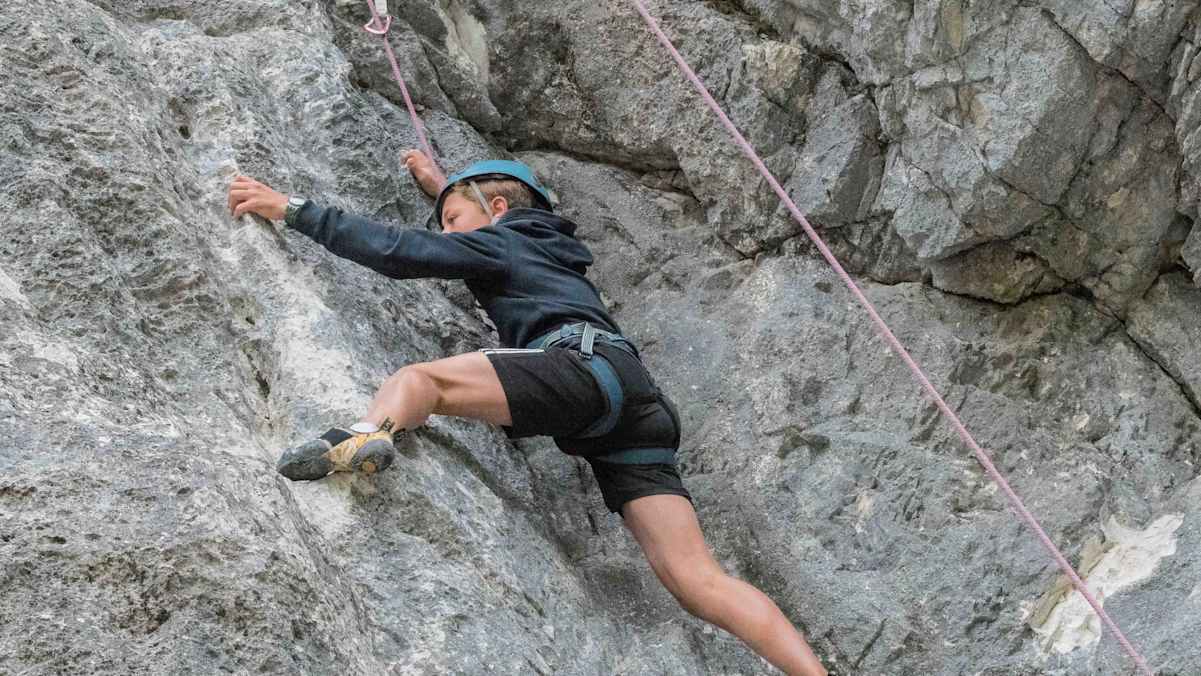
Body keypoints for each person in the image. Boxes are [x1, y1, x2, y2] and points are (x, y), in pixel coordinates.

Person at [226, 151, 828, 675]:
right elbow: (490, 212)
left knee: (420, 379)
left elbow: (402, 250)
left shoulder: (504, 237)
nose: (452, 236)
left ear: (497, 211)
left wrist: (294, 209)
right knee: (698, 581)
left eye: (456, 222)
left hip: (580, 369)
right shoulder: (544, 244)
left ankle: (371, 432)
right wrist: (446, 191)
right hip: (632, 405)